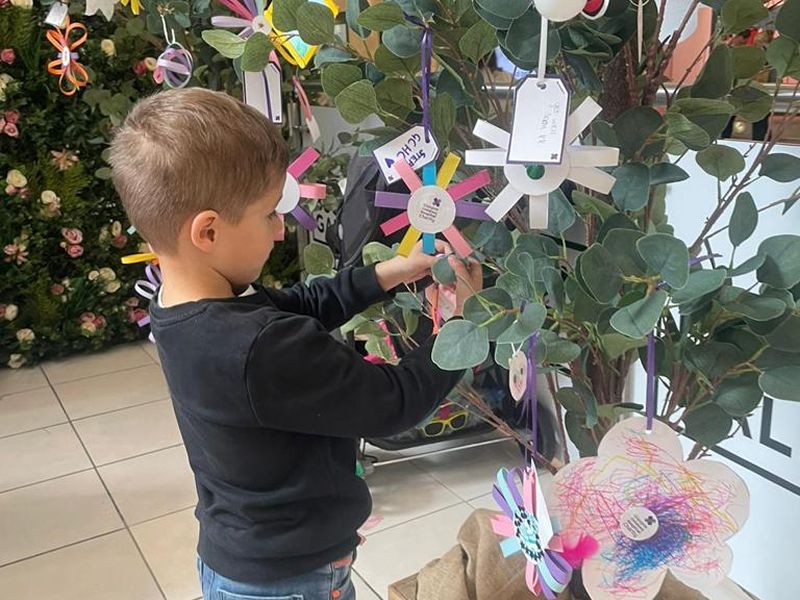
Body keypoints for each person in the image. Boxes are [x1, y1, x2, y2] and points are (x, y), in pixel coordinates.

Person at [109, 88, 483, 600]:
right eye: (268, 214)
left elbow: (299, 303)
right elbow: (392, 403)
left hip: (244, 557)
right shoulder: (258, 347)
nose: (281, 229)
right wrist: (460, 326)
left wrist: (381, 276)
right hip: (290, 581)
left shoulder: (184, 307)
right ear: (209, 232)